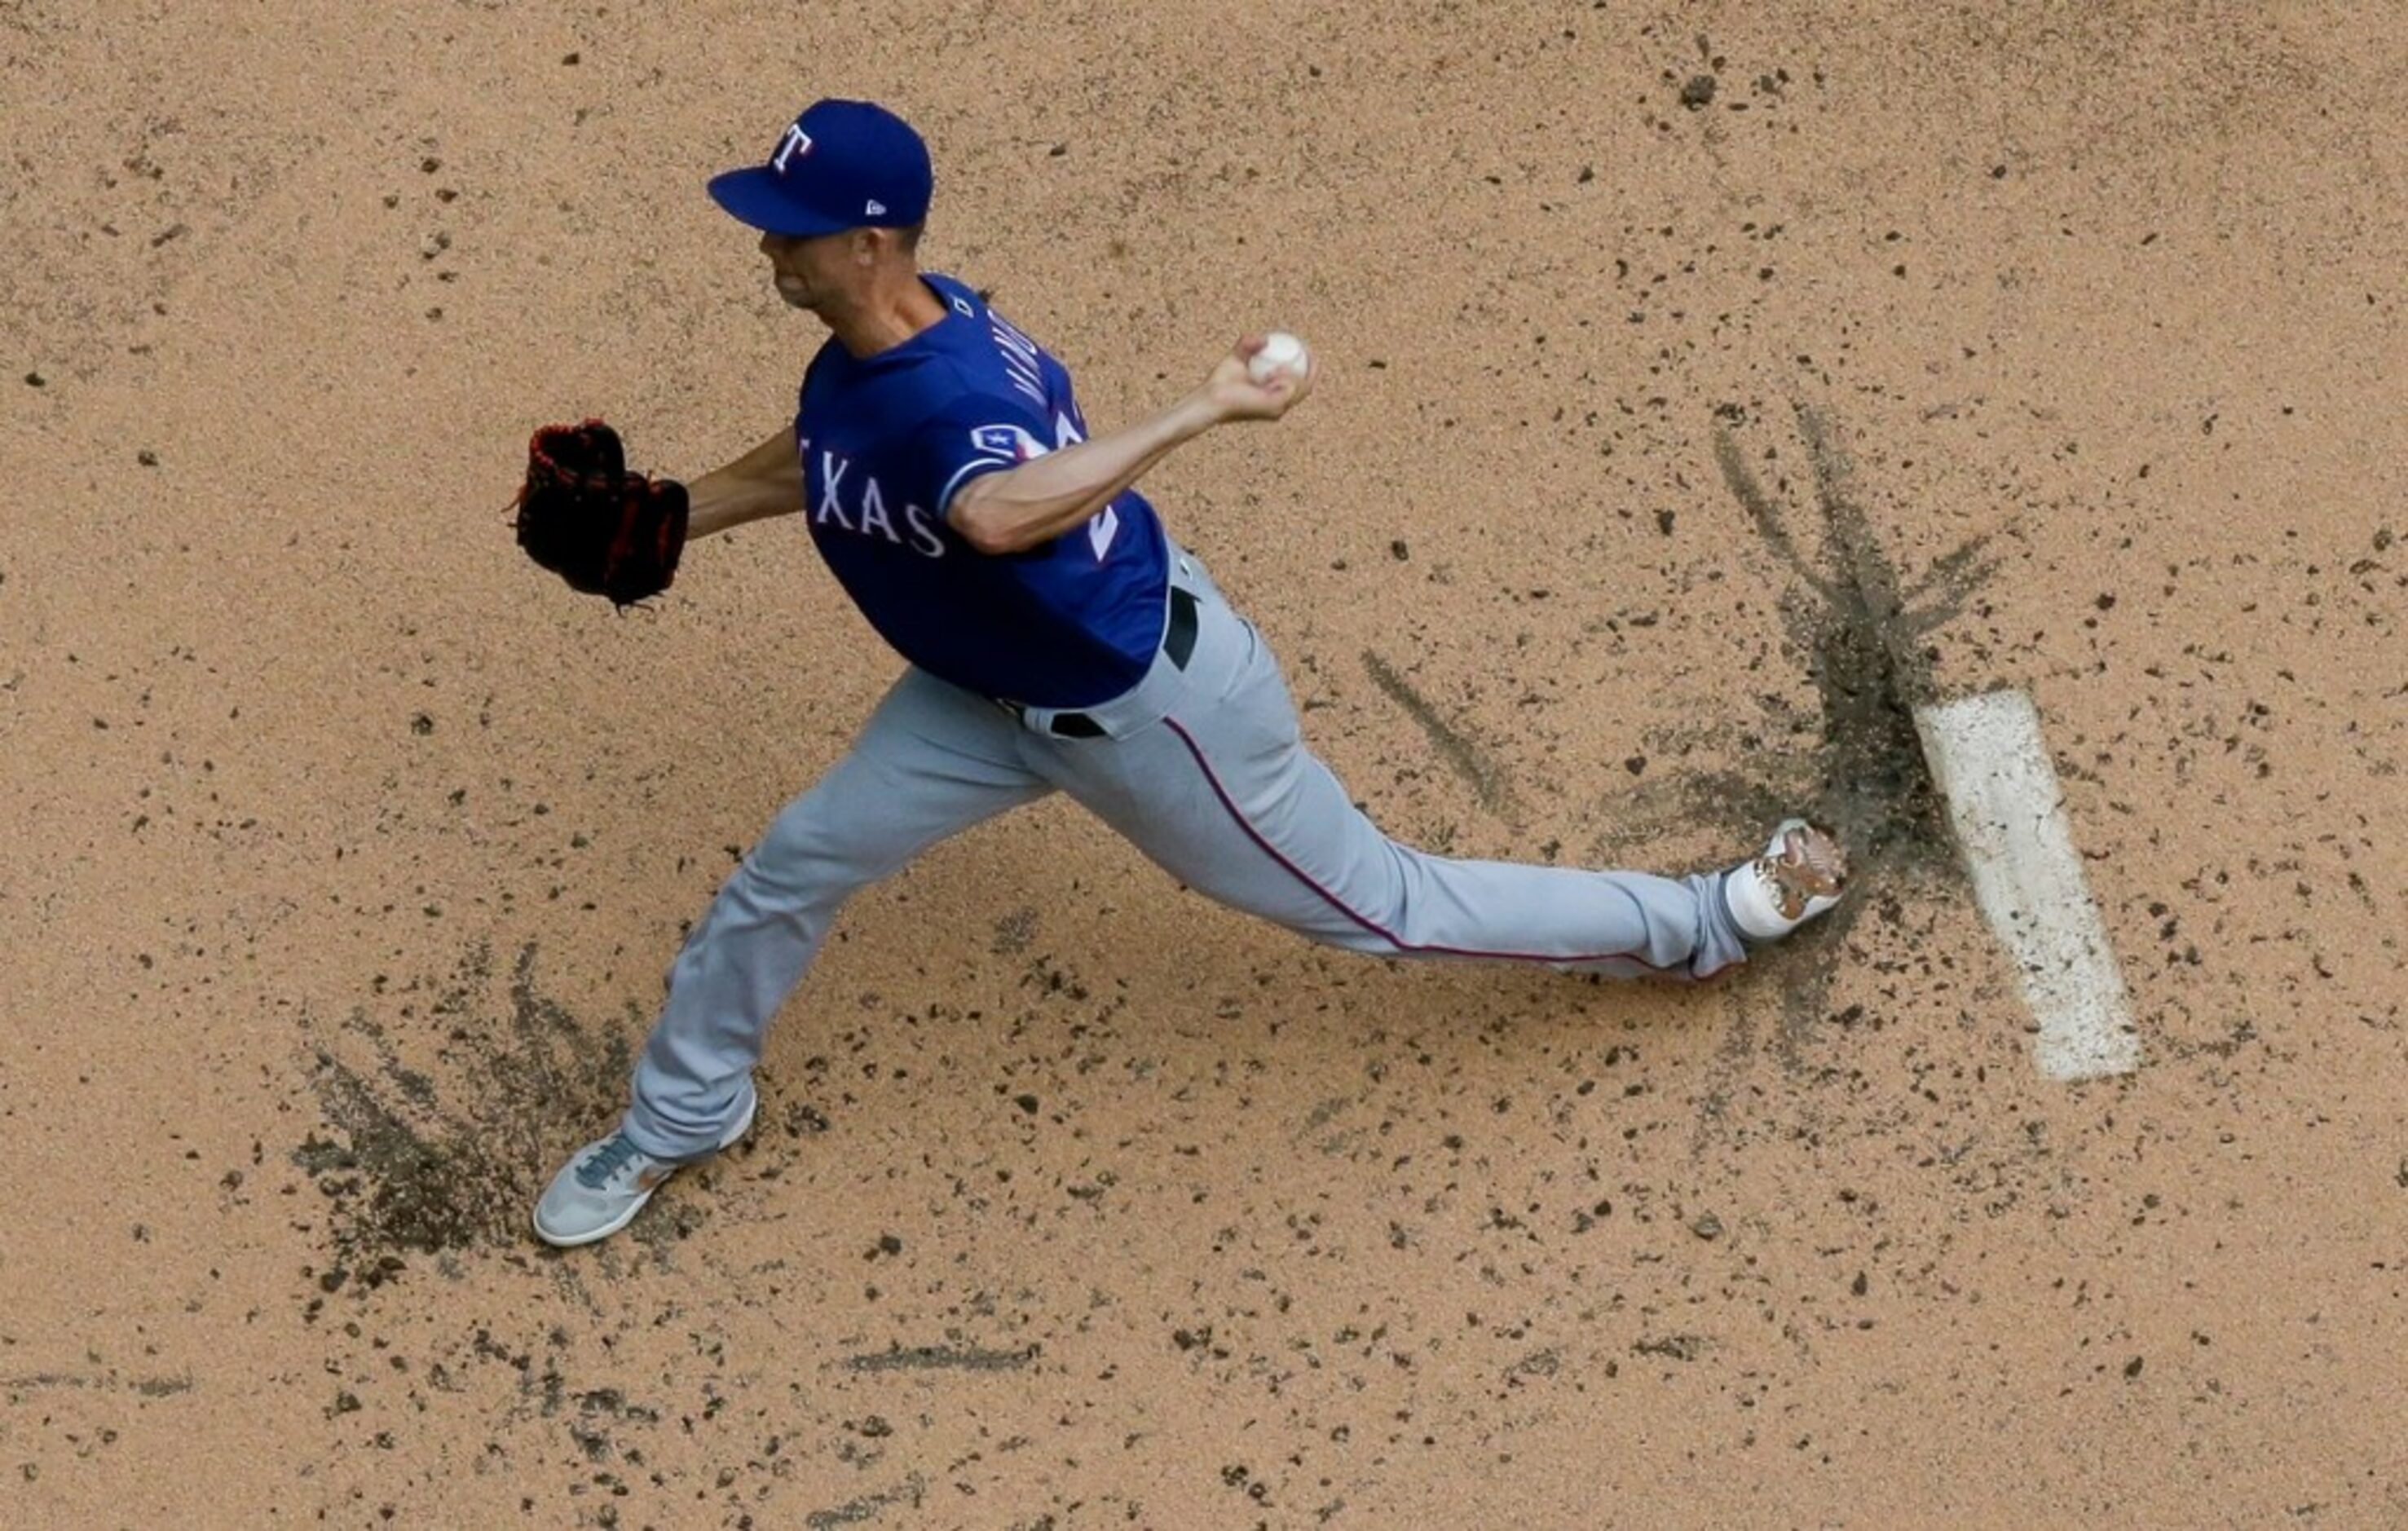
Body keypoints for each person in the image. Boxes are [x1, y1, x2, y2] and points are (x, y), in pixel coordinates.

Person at [531, 99, 1848, 1248]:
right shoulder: (888, 347)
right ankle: (684, 1112)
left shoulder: (948, 398)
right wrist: (675, 515)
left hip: (1148, 710)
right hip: (975, 699)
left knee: (1381, 905)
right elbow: (827, 450)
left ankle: (1709, 920)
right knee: (793, 864)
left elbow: (991, 512)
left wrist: (1197, 410)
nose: (768, 244)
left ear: (870, 244)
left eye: (793, 226)